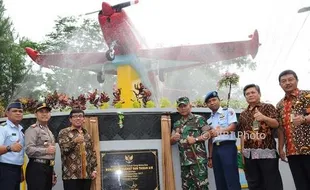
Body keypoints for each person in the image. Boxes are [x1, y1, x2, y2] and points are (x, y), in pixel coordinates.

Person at [239, 84, 283, 190]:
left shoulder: (268, 107)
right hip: (249, 155)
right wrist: (242, 153)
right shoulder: (242, 114)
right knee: (254, 184)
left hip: (266, 153)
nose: (250, 95)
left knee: (272, 183)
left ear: (259, 94)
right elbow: (242, 134)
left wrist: (264, 117)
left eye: (253, 92)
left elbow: (277, 124)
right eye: (247, 94)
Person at [276, 70, 310, 190]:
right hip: (292, 151)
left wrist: (305, 119)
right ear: (280, 84)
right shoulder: (279, 105)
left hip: (308, 149)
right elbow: (280, 129)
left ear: (297, 80)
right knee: (300, 185)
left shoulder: (307, 95)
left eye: (290, 79)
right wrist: (280, 148)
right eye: (283, 81)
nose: (287, 83)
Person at [170, 96, 211, 190]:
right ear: (177, 109)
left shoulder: (199, 119)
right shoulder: (177, 124)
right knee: (187, 187)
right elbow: (171, 141)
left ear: (190, 106)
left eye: (185, 105)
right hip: (185, 163)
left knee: (201, 186)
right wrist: (174, 138)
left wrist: (196, 139)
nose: (183, 108)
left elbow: (209, 134)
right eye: (181, 106)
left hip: (198, 161)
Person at [205, 91, 241, 190]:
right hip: (215, 149)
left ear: (219, 100)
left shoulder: (228, 111)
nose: (212, 103)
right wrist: (210, 157)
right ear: (207, 105)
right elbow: (210, 140)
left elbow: (233, 127)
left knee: (231, 177)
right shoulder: (209, 120)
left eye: (214, 100)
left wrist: (219, 132)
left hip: (227, 147)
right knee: (219, 179)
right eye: (209, 101)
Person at [58, 109, 97, 190]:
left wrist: (94, 170)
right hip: (71, 175)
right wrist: (75, 141)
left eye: (80, 116)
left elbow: (91, 153)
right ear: (70, 119)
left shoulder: (87, 134)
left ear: (84, 119)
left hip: (86, 175)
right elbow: (64, 149)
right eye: (75, 116)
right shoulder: (64, 132)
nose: (78, 118)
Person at [24, 102, 57, 190]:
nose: (44, 114)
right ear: (36, 114)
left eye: (47, 112)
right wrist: (46, 151)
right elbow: (28, 150)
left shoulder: (49, 131)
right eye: (41, 111)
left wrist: (52, 171)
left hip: (48, 168)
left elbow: (50, 155)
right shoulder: (33, 129)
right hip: (36, 168)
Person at [0, 102, 25, 190]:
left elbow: (19, 154)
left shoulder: (20, 129)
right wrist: (9, 147)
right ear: (7, 113)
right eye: (14, 111)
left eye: (20, 111)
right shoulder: (3, 128)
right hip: (5, 170)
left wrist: (20, 169)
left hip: (17, 170)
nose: (18, 113)